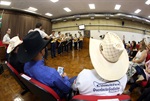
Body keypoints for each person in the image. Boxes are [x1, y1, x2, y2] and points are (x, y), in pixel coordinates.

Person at [17, 31, 76, 99]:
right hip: (58, 94)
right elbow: (67, 89)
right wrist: (65, 77)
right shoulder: (51, 73)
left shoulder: (26, 66)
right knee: (75, 78)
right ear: (41, 51)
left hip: (43, 95)